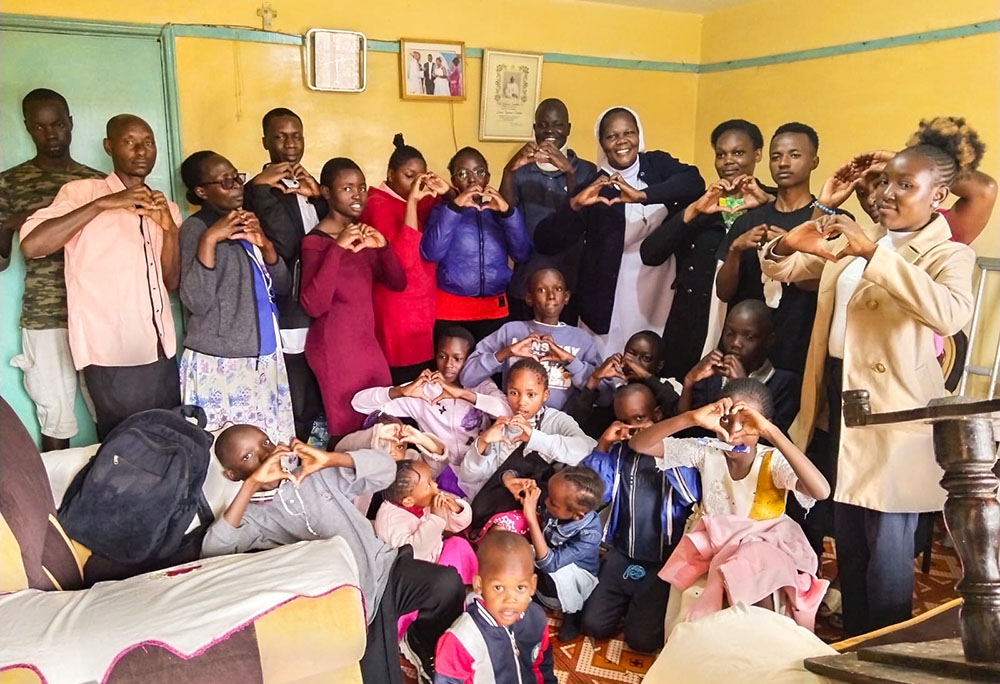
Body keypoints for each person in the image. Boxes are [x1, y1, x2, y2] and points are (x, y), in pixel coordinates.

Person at [759, 130, 978, 635]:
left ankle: (885, 649)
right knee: (850, 540)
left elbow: (948, 314)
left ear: (938, 198)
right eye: (884, 183)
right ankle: (856, 644)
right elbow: (786, 265)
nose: (888, 194)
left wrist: (873, 257)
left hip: (891, 413)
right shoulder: (865, 241)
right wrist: (799, 231)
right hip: (839, 398)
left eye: (905, 185)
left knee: (886, 553)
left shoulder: (949, 255)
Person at [203, 424, 464, 684]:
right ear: (233, 474)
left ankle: (418, 643)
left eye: (266, 444)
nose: (264, 457)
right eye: (248, 457)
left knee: (447, 584)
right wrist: (250, 486)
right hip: (352, 603)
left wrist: (330, 459)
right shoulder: (255, 517)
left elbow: (386, 472)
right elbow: (214, 550)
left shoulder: (315, 476)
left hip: (385, 568)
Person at [20, 114, 181, 440]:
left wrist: (169, 230)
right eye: (130, 142)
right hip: (111, 350)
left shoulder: (166, 206)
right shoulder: (81, 192)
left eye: (148, 143)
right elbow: (32, 244)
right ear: (109, 147)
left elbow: (172, 281)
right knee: (126, 445)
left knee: (167, 438)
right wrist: (104, 203)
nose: (141, 151)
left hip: (160, 346)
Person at [629, 380, 831, 636]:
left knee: (755, 562)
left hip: (764, 546)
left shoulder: (772, 461)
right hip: (713, 542)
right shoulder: (707, 451)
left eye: (748, 423)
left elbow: (821, 491)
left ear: (764, 424)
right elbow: (640, 445)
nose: (734, 430)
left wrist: (773, 433)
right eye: (725, 420)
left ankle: (758, 647)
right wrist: (692, 418)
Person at [534, 106, 704, 357]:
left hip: (660, 284)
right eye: (611, 136)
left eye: (629, 133)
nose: (622, 141)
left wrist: (643, 196)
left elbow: (694, 182)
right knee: (610, 363)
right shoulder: (595, 186)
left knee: (651, 357)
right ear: (601, 143)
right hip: (611, 294)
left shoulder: (657, 166)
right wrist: (574, 205)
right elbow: (545, 240)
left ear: (639, 135)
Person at [1, 89, 104, 451]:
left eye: (58, 124)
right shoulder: (10, 182)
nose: (51, 134)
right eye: (41, 127)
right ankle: (52, 507)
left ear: (70, 123)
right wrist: (12, 223)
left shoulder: (98, 183)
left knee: (110, 411)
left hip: (98, 313)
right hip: (46, 315)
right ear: (29, 129)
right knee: (54, 417)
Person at [640, 119, 772, 379]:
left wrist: (765, 205)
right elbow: (650, 253)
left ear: (757, 154)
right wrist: (695, 210)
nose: (728, 161)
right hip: (692, 323)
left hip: (743, 327)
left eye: (738, 153)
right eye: (721, 154)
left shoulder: (771, 201)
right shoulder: (702, 204)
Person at [177, 151, 293, 439]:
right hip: (221, 361)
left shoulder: (247, 221)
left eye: (236, 178)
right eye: (225, 182)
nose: (236, 186)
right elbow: (197, 301)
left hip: (264, 353)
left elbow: (281, 287)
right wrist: (210, 239)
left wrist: (265, 245)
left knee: (268, 442)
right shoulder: (196, 228)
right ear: (202, 191)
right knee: (230, 449)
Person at [580, 383, 699, 652]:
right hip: (623, 552)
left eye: (640, 419)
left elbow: (691, 495)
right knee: (594, 625)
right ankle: (629, 597)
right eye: (626, 421)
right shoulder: (619, 452)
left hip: (663, 561)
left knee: (642, 641)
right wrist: (603, 444)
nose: (634, 428)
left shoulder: (676, 452)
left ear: (657, 415)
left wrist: (661, 451)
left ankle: (638, 603)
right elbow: (595, 493)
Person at [715, 122, 840, 375]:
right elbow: (724, 292)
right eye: (776, 156)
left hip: (801, 345)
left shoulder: (832, 221)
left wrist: (789, 250)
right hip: (746, 355)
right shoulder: (747, 219)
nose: (783, 163)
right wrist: (736, 250)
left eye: (794, 155)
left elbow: (829, 284)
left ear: (814, 161)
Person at [299, 158, 406, 443]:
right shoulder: (315, 242)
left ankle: (380, 484)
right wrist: (337, 249)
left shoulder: (365, 235)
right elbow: (314, 305)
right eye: (346, 188)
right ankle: (346, 485)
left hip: (366, 346)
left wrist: (382, 248)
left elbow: (398, 282)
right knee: (346, 428)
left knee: (380, 420)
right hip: (334, 348)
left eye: (361, 187)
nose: (357, 195)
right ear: (326, 192)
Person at [243, 107, 327, 442]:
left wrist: (320, 195)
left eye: (296, 135)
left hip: (322, 298)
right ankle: (294, 442)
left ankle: (315, 440)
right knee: (295, 380)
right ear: (265, 141)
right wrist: (261, 188)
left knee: (320, 371)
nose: (290, 144)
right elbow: (286, 242)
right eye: (280, 136)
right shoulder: (254, 191)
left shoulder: (310, 185)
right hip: (289, 303)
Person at [351, 326, 511, 489]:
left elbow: (509, 412)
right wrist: (400, 391)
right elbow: (358, 404)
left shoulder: (480, 384)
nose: (449, 364)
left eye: (457, 358)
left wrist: (463, 395)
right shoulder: (424, 390)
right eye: (442, 356)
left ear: (469, 359)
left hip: (482, 470)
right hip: (440, 478)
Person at [459, 359, 596, 533]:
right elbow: (469, 477)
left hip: (545, 511)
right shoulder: (502, 424)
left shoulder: (556, 420)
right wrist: (483, 442)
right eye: (514, 393)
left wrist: (534, 437)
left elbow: (587, 449)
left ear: (545, 395)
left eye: (531, 395)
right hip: (498, 506)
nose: (521, 402)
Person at [500, 98, 599, 323]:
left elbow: (584, 217)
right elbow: (505, 212)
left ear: (568, 128)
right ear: (534, 129)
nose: (550, 131)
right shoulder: (521, 169)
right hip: (527, 275)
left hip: (569, 276)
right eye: (543, 125)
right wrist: (508, 171)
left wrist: (569, 173)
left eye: (557, 124)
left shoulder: (586, 170)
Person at [361, 135, 449, 384]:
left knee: (423, 377)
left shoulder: (423, 200)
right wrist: (412, 202)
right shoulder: (378, 204)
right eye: (409, 176)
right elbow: (402, 260)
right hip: (396, 307)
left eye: (420, 177)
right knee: (402, 379)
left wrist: (446, 192)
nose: (415, 185)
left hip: (423, 304)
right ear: (390, 174)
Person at [420, 147, 532, 342]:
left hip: (494, 311)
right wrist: (454, 208)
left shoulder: (499, 213)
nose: (472, 179)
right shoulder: (442, 211)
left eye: (479, 172)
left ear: (487, 177)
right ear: (454, 181)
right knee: (451, 371)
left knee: (493, 371)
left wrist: (508, 214)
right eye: (463, 174)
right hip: (451, 312)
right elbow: (431, 253)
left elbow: (522, 253)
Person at [460, 268, 601, 410]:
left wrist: (571, 361)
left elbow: (605, 396)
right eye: (541, 290)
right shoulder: (510, 331)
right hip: (514, 419)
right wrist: (506, 352)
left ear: (566, 297)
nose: (551, 296)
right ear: (529, 298)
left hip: (563, 426)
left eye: (557, 289)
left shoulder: (582, 339)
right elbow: (467, 378)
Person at [433, 531, 556, 684]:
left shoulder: (537, 618)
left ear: (533, 585)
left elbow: (543, 664)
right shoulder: (462, 637)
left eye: (520, 587)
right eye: (498, 587)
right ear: (479, 584)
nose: (510, 599)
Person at [678, 299, 800, 434]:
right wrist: (689, 381)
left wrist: (743, 384)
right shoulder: (711, 375)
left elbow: (771, 441)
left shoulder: (785, 383)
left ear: (769, 340)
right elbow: (684, 431)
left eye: (749, 337)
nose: (736, 343)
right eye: (730, 334)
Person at [521, 465, 604, 641]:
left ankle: (573, 612)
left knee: (554, 575)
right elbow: (515, 475)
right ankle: (536, 595)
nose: (545, 502)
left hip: (572, 570)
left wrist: (530, 518)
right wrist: (516, 482)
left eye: (552, 502)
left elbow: (550, 563)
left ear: (577, 516)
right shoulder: (558, 496)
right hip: (547, 552)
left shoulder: (590, 535)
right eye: (548, 496)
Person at [373, 460, 477, 584]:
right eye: (428, 485)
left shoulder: (423, 501)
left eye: (432, 480)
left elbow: (459, 525)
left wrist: (456, 509)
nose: (435, 486)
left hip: (437, 555)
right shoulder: (390, 520)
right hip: (419, 574)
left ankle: (471, 587)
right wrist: (436, 519)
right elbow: (413, 552)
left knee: (459, 544)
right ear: (408, 501)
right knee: (448, 576)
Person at [567, 329, 679, 438]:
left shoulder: (667, 390)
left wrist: (646, 376)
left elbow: (679, 414)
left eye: (646, 358)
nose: (634, 363)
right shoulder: (620, 396)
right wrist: (594, 379)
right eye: (631, 354)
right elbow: (579, 427)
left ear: (659, 365)